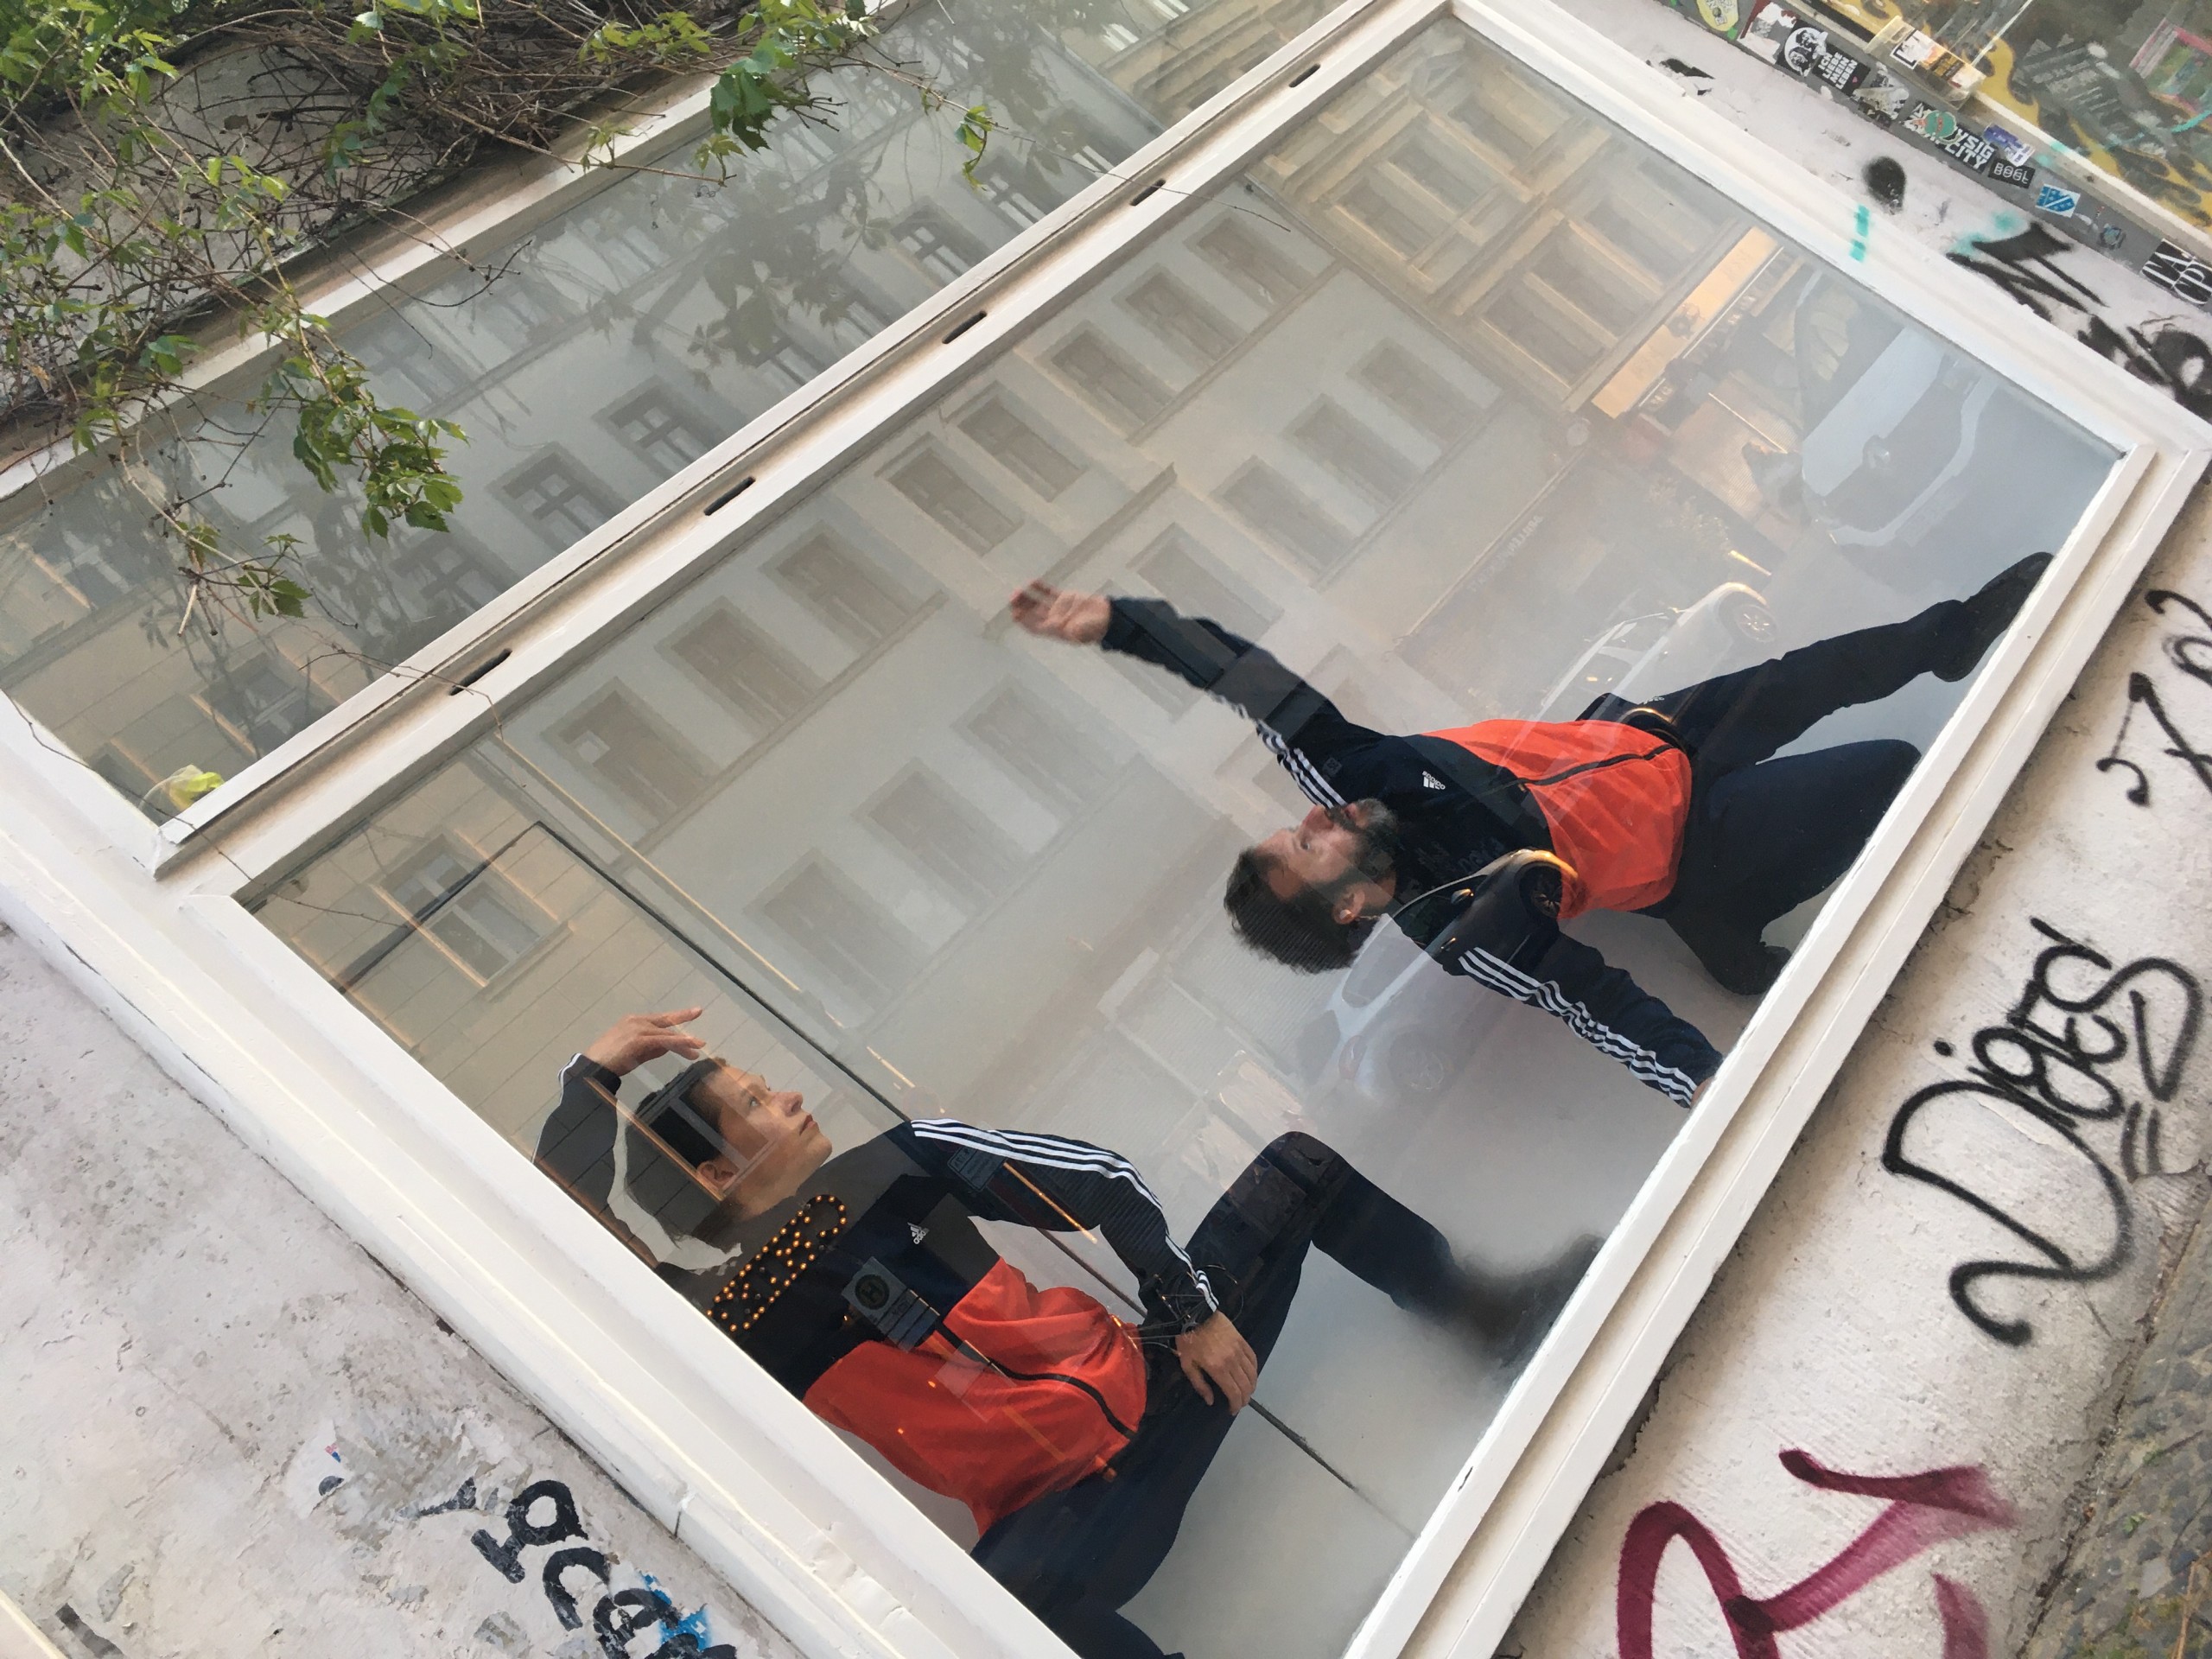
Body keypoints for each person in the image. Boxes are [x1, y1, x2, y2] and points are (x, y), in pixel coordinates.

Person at [539, 1008, 1601, 1659]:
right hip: (1062, 1520)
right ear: (715, 1171)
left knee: (1298, 1171)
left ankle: (1487, 1315)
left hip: (1162, 1384)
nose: (789, 1094)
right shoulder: (731, 1313)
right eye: (756, 1102)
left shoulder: (899, 1162)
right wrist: (590, 1079)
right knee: (1005, 1615)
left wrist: (1190, 1312)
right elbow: (567, 1234)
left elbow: (1099, 1181)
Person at [1008, 554, 2052, 1108]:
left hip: (1652, 736)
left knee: (1809, 674)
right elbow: (1592, 1002)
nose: (1313, 818)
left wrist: (1120, 625)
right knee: (1885, 770)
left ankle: (1956, 634)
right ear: (1355, 903)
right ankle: (1723, 922)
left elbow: (1251, 682)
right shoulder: (1467, 918)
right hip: (1694, 841)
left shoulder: (1354, 779)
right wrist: (1706, 1086)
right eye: (1308, 848)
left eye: (1295, 827)